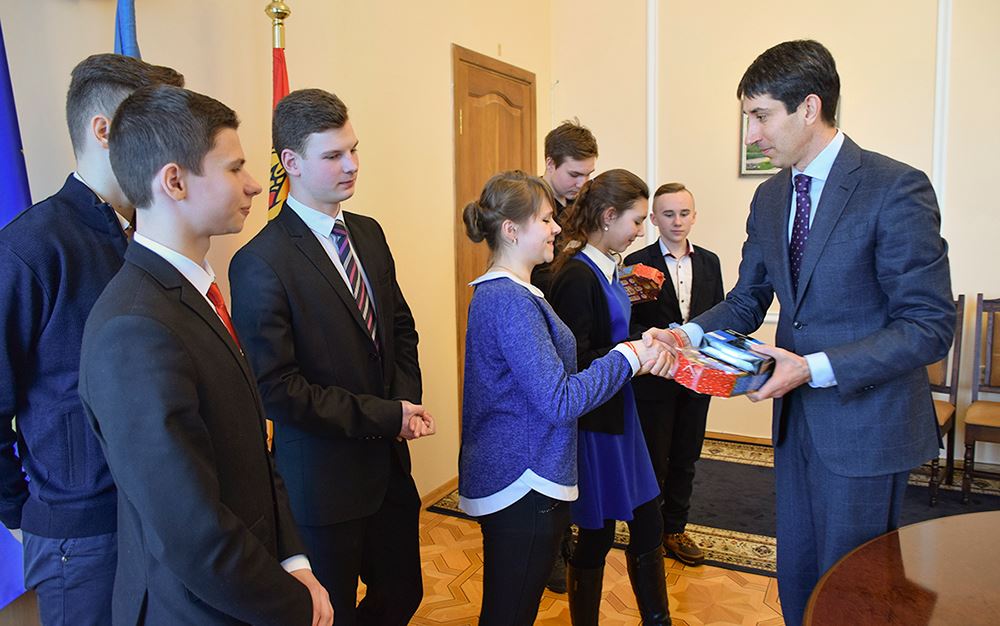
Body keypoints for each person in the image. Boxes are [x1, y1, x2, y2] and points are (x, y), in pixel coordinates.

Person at [647, 40, 954, 626]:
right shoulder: (769, 197)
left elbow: (928, 326)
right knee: (799, 577)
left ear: (809, 108)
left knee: (856, 594)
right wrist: (683, 336)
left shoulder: (894, 187)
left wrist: (811, 368)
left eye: (761, 116)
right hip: (796, 424)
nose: (752, 135)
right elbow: (746, 300)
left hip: (867, 425)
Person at [78, 84, 332, 626]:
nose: (255, 183)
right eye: (234, 167)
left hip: (252, 584)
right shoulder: (133, 329)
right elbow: (192, 533)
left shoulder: (193, 293)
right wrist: (294, 606)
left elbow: (253, 447)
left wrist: (294, 561)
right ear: (174, 181)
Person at [229, 88, 434, 626]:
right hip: (323, 488)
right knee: (329, 614)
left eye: (354, 149)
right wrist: (386, 416)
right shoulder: (260, 262)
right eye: (334, 155)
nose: (352, 165)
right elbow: (278, 390)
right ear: (291, 163)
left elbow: (400, 329)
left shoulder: (368, 233)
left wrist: (404, 404)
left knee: (403, 595)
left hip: (389, 470)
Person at [0, 53, 183, 626]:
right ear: (104, 131)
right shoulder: (30, 248)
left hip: (161, 515)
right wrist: (25, 509)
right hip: (81, 538)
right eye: (154, 126)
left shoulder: (154, 236)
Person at [459, 170, 667, 625]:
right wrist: (629, 356)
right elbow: (559, 400)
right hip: (523, 477)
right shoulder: (509, 300)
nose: (557, 227)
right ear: (512, 230)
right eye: (546, 219)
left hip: (522, 472)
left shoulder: (514, 294)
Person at [550, 169, 672, 625]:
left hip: (621, 413)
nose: (641, 230)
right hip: (597, 424)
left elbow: (613, 337)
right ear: (607, 216)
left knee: (647, 524)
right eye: (637, 220)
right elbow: (576, 361)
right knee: (598, 535)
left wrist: (646, 339)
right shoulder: (577, 276)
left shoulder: (607, 267)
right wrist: (636, 353)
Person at [625, 183, 723, 566]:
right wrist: (657, 343)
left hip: (698, 379)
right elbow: (628, 323)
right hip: (655, 380)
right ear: (653, 219)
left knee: (686, 456)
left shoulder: (710, 262)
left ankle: (675, 529)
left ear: (694, 216)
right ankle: (647, 533)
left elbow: (719, 316)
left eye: (684, 213)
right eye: (668, 214)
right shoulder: (636, 262)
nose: (677, 221)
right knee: (653, 459)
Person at [530, 120, 598, 299]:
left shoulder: (584, 203)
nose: (582, 184)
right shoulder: (528, 205)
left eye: (588, 175)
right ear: (550, 163)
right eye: (574, 175)